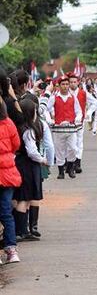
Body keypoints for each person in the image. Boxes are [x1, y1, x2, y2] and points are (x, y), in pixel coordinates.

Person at [14, 99, 48, 242]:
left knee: (23, 197)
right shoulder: (29, 130)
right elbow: (32, 151)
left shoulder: (19, 126)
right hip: (28, 165)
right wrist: (42, 160)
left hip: (20, 163)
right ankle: (22, 231)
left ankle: (23, 230)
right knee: (25, 198)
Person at [47, 76, 82, 179]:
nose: (65, 86)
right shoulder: (54, 98)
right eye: (63, 84)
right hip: (58, 128)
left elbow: (78, 111)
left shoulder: (73, 97)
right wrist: (50, 120)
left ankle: (70, 168)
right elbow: (46, 109)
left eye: (67, 84)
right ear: (59, 85)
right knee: (59, 149)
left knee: (73, 148)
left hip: (71, 127)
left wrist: (78, 119)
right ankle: (61, 171)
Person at [0, 99, 21, 263]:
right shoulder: (8, 123)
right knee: (6, 213)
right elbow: (16, 144)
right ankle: (11, 250)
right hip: (8, 174)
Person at [68, 74, 87, 174]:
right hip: (69, 122)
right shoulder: (66, 93)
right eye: (71, 82)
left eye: (74, 82)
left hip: (80, 122)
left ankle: (78, 162)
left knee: (79, 141)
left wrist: (87, 113)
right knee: (71, 143)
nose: (72, 84)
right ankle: (69, 162)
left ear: (78, 82)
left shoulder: (83, 93)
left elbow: (94, 102)